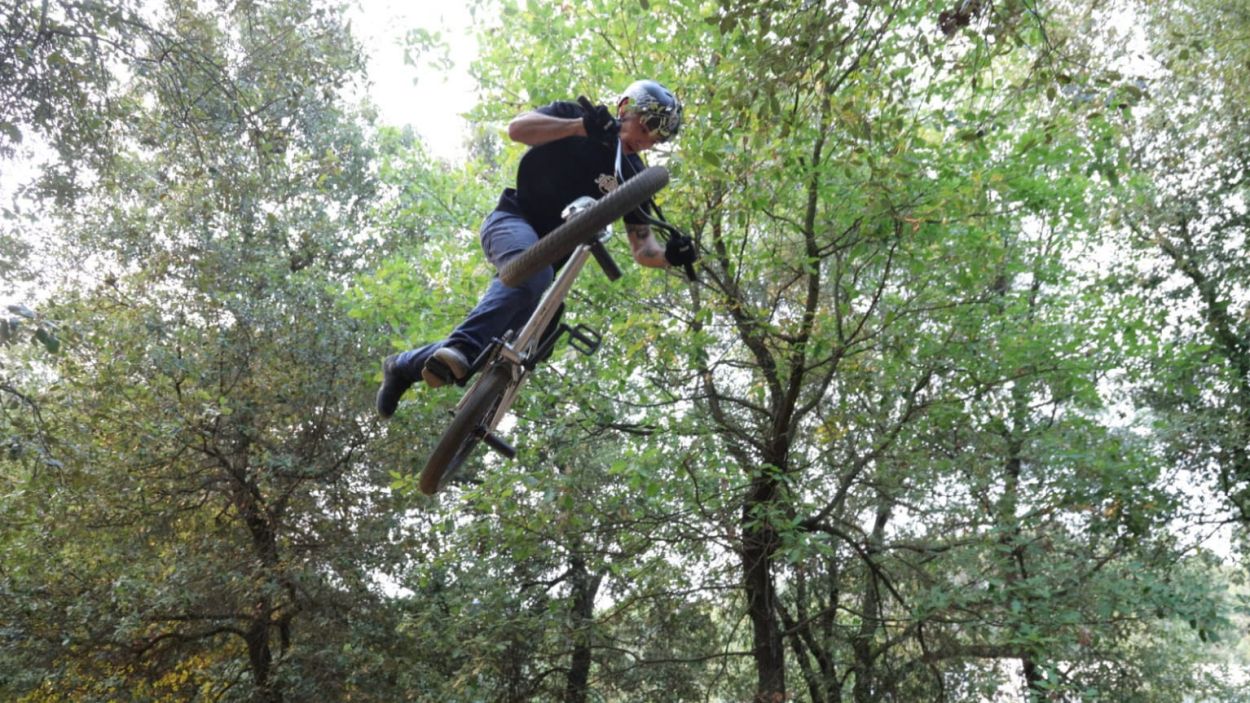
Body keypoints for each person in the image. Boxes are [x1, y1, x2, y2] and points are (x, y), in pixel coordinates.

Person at [376, 79, 696, 419]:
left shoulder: (634, 174)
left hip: (549, 265)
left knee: (524, 342)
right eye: (647, 126)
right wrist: (580, 127)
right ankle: (459, 348)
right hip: (513, 220)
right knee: (534, 275)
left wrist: (671, 256)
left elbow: (643, 247)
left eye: (657, 138)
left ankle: (405, 368)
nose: (647, 141)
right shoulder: (576, 116)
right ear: (626, 108)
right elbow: (518, 130)